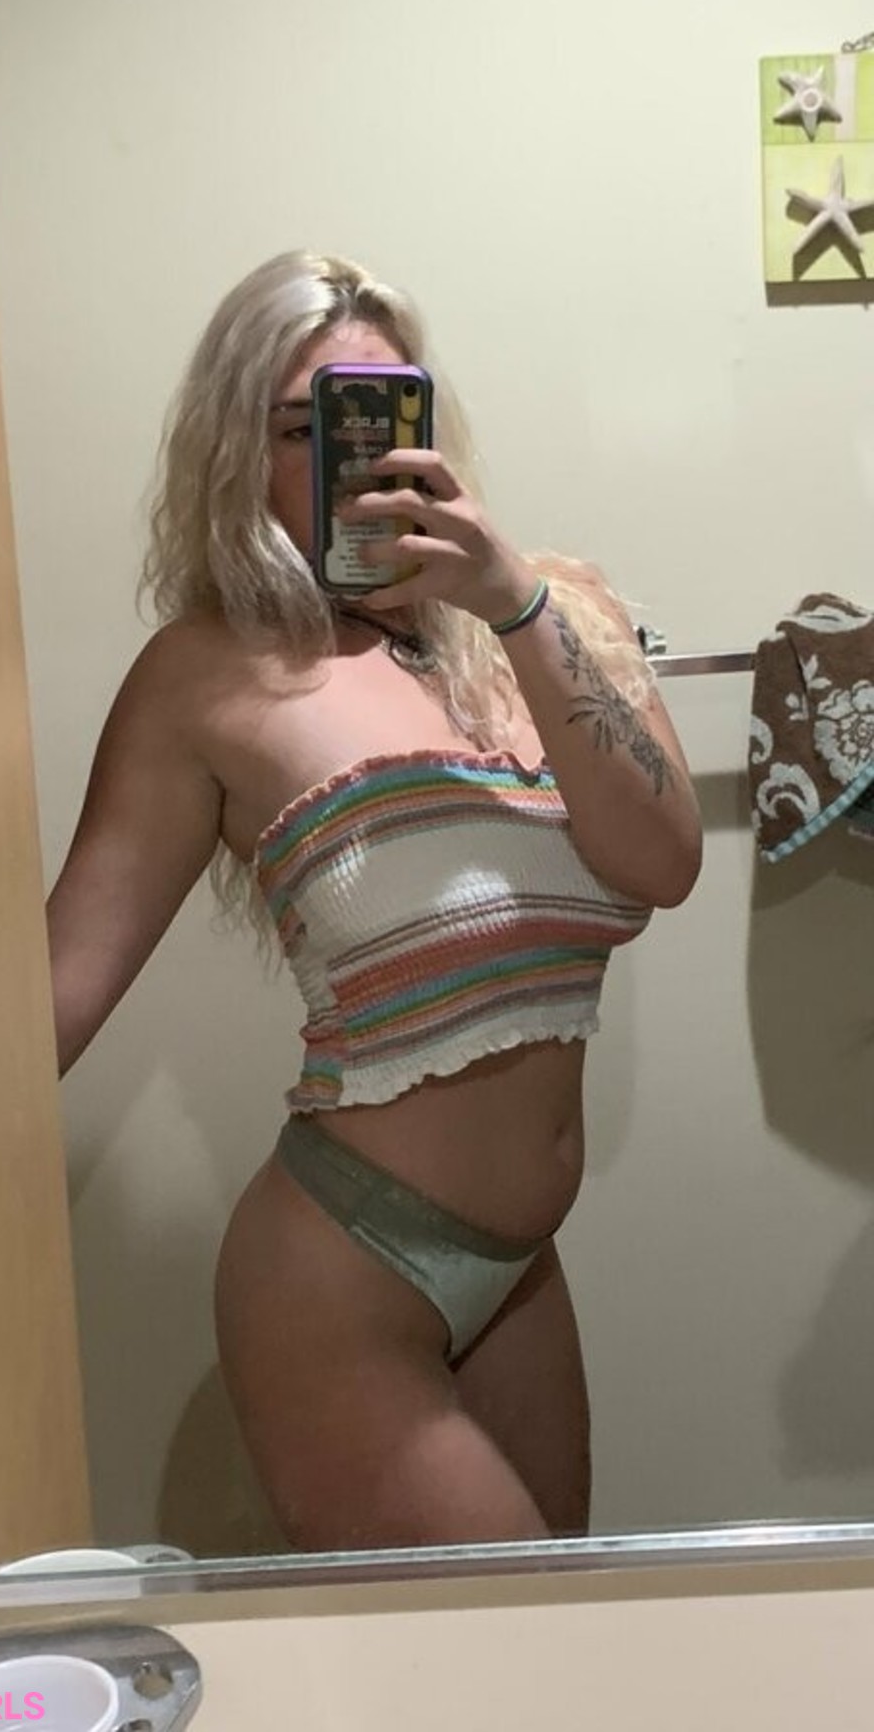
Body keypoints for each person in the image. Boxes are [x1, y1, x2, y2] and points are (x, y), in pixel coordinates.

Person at [48, 250, 702, 1551]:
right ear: (240, 456)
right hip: (338, 1275)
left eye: (386, 411)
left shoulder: (555, 612)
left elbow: (663, 860)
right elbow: (53, 994)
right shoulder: (209, 676)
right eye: (307, 427)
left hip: (519, 1275)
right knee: (498, 1645)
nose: (356, 460)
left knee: (565, 1629)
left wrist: (510, 600)